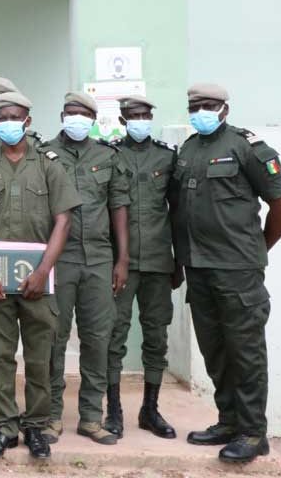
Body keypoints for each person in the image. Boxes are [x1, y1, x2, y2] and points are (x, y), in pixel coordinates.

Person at [172, 84, 281, 463]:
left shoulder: (247, 147)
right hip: (200, 268)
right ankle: (228, 421)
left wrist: (258, 249)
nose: (201, 111)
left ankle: (253, 432)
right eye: (195, 106)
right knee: (215, 350)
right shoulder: (189, 149)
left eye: (208, 105)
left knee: (246, 352)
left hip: (238, 271)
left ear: (224, 108)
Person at [0, 92, 80, 460]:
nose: (9, 123)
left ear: (28, 121)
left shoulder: (49, 165)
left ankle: (35, 426)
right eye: (3, 117)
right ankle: (5, 427)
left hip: (39, 281)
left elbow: (64, 219)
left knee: (39, 356)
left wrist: (44, 268)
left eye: (16, 116)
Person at [40, 92, 131, 446]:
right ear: (62, 116)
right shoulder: (44, 153)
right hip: (58, 260)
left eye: (81, 114)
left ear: (92, 119)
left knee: (97, 339)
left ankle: (92, 417)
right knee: (53, 338)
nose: (74, 119)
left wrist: (122, 259)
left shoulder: (108, 156)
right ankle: (51, 416)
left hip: (99, 259)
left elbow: (119, 208)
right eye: (69, 113)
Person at [104, 96, 179, 439]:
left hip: (159, 261)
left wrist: (179, 261)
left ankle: (150, 408)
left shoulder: (167, 156)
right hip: (121, 263)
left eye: (145, 115)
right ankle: (114, 408)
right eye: (133, 116)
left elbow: (178, 211)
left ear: (152, 117)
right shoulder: (110, 154)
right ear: (122, 120)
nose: (140, 120)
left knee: (156, 336)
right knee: (114, 334)